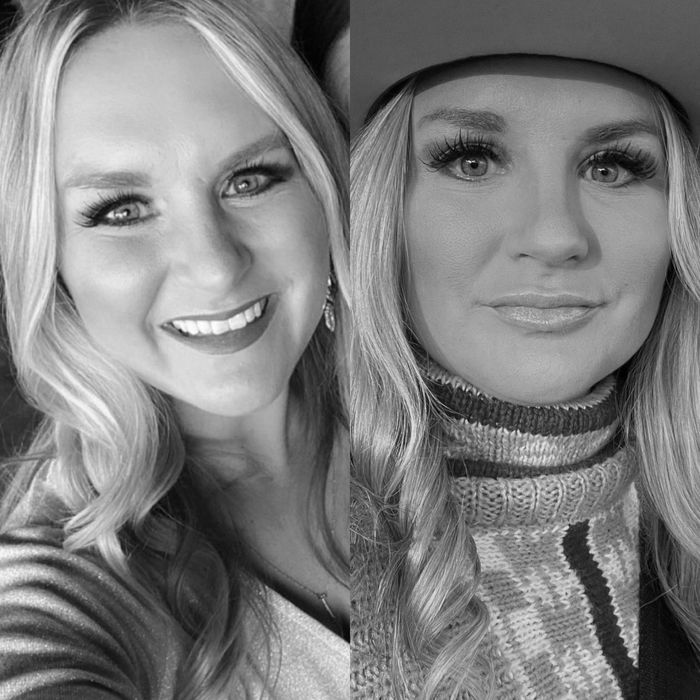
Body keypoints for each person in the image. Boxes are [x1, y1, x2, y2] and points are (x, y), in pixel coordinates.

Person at [350, 1, 700, 697]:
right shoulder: (320, 551)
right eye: (473, 159)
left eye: (613, 167)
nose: (554, 234)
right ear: (381, 208)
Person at [0, 0, 349, 698]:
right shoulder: (65, 584)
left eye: (249, 179)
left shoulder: (419, 402)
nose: (214, 266)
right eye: (122, 210)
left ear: (322, 184)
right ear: (51, 258)